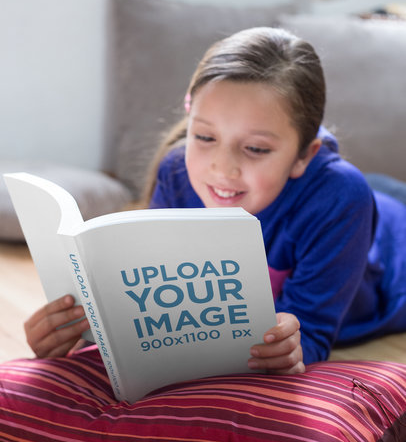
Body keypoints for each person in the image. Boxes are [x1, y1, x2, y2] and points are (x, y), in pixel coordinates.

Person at [24, 26, 406, 375]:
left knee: (379, 193)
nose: (222, 169)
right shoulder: (177, 170)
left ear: (304, 155)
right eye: (205, 138)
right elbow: (153, 307)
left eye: (255, 148)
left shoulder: (339, 199)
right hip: (353, 198)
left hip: (390, 249)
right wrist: (79, 330)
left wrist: (290, 348)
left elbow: (314, 335)